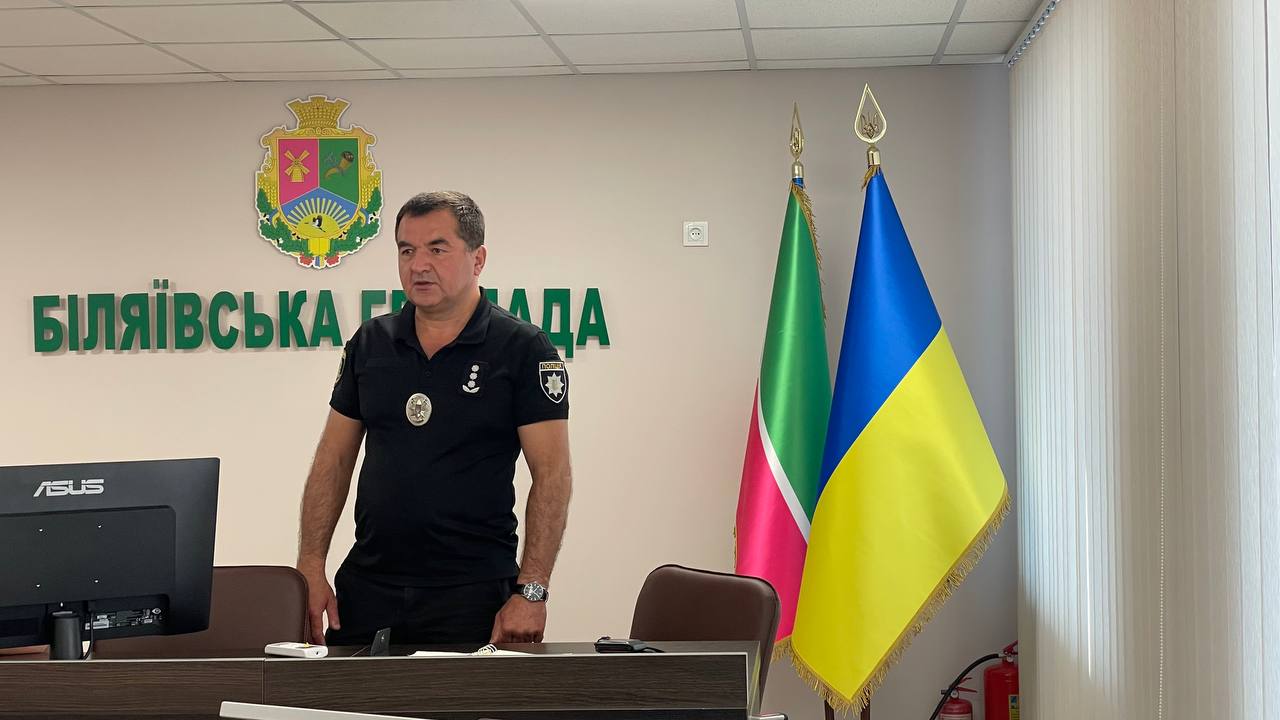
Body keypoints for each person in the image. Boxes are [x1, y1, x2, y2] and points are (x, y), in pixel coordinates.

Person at [296, 191, 572, 647]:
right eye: (406, 250)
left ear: (478, 258)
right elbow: (333, 460)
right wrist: (310, 564)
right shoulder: (371, 342)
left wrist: (532, 590)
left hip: (473, 594)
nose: (418, 265)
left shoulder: (522, 348)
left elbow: (553, 475)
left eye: (437, 249)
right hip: (369, 587)